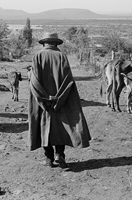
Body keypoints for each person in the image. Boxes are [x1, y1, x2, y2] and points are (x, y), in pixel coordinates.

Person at [28, 32, 91, 168]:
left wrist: (43, 98)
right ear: (56, 43)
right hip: (61, 101)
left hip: (42, 102)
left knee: (43, 126)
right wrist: (59, 99)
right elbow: (68, 80)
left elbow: (34, 81)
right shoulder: (61, 56)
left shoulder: (38, 56)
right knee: (61, 127)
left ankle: (48, 159)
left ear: (44, 43)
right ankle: (59, 155)